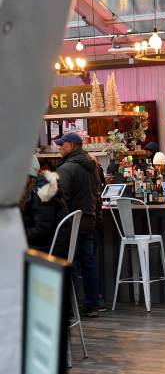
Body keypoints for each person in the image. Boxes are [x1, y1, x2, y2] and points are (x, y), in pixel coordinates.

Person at [54, 132, 101, 317]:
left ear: (72, 145)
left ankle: (71, 307)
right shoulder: (92, 167)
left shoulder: (67, 169)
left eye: (62, 144)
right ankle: (92, 304)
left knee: (69, 263)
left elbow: (60, 198)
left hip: (71, 222)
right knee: (88, 263)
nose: (59, 147)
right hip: (89, 220)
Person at [20, 156, 68, 256]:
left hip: (48, 249)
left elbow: (41, 230)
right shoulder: (38, 188)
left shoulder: (41, 193)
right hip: (47, 244)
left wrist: (16, 234)